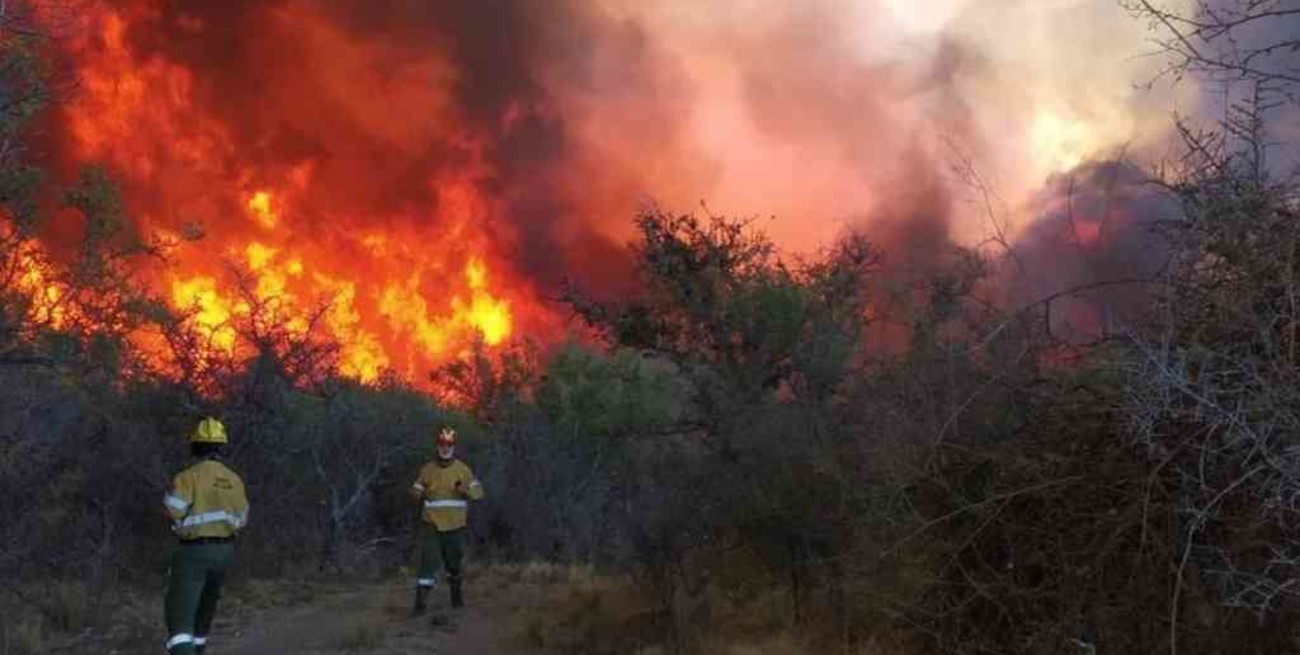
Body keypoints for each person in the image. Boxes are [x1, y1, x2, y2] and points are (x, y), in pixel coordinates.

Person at [162, 417, 249, 655]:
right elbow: (241, 519)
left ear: (195, 446)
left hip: (193, 552)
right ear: (221, 447)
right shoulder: (234, 480)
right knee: (203, 616)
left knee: (179, 622)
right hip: (224, 553)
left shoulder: (188, 477)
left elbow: (172, 510)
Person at [409, 426, 484, 613]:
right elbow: (415, 490)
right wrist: (419, 493)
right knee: (428, 562)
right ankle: (420, 605)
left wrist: (465, 490)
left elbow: (478, 493)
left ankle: (456, 598)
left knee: (454, 564)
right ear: (437, 446)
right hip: (432, 525)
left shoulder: (463, 470)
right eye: (442, 444)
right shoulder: (427, 469)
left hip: (455, 526)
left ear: (454, 446)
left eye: (449, 444)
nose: (445, 448)